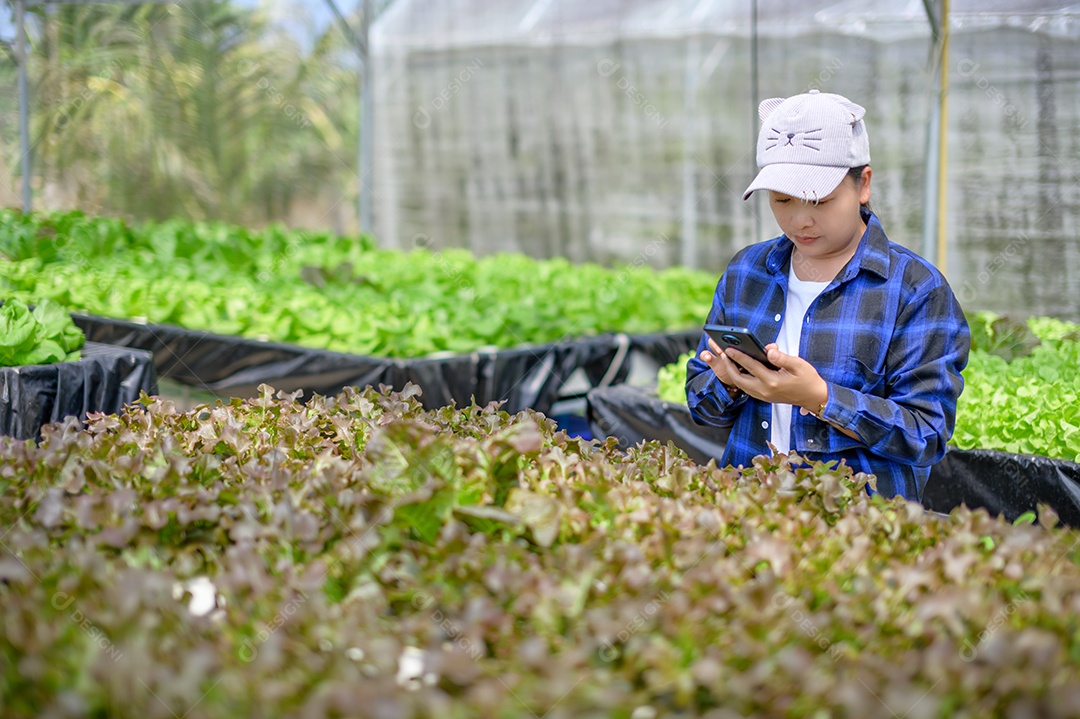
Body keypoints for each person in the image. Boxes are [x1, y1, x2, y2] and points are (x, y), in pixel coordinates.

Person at [685, 90, 970, 501]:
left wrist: (820, 398)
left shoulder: (915, 290)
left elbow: (925, 435)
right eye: (782, 199)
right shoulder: (748, 271)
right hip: (748, 510)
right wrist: (729, 384)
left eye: (819, 199)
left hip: (855, 527)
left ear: (863, 184)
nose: (800, 219)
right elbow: (700, 403)